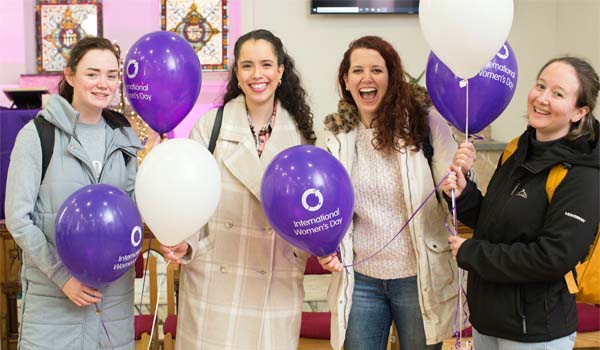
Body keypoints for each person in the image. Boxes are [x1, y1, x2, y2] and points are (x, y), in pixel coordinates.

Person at [159, 29, 316, 350]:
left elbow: (311, 210)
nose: (257, 75)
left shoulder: (301, 135)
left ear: (281, 71)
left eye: (266, 65)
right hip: (216, 280)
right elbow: (189, 203)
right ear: (237, 73)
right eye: (247, 65)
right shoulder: (210, 127)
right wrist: (185, 246)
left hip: (276, 282)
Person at [318, 36, 464, 350]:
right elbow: (325, 207)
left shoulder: (424, 123)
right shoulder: (335, 136)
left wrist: (459, 181)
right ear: (346, 80)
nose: (366, 79)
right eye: (357, 71)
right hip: (361, 281)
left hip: (418, 277)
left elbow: (451, 185)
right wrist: (324, 247)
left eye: (376, 70)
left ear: (391, 77)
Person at [442, 56, 600, 349]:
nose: (542, 98)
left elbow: (552, 257)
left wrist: (472, 252)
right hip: (487, 320)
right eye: (540, 85)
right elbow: (496, 222)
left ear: (580, 111)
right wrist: (465, 194)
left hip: (536, 330)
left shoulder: (583, 174)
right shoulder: (518, 148)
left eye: (558, 93)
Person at [5, 37, 143, 349]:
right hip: (54, 301)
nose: (103, 84)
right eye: (92, 73)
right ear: (70, 76)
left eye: (111, 75)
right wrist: (63, 278)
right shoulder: (38, 135)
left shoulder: (125, 138)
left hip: (113, 306)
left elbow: (135, 209)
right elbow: (18, 218)